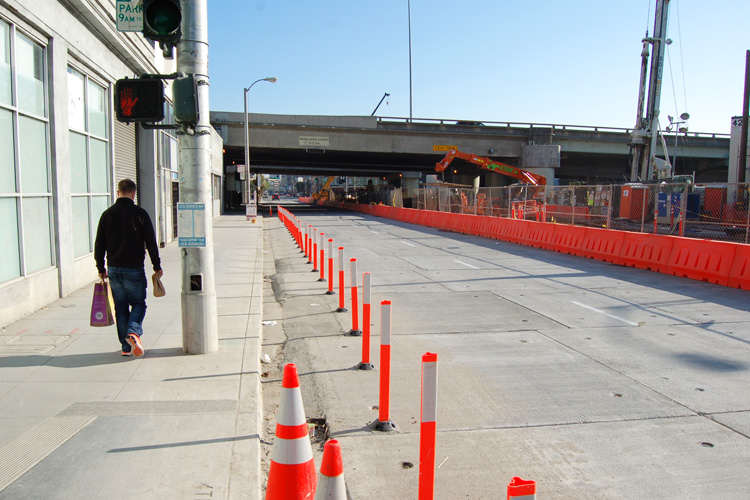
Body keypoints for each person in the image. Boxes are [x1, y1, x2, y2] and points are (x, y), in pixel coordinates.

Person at [94, 179, 162, 357]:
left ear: (118, 193)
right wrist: (156, 266)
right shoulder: (140, 214)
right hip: (134, 269)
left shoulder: (107, 215)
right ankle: (133, 333)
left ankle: (126, 347)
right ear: (134, 194)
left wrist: (101, 268)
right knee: (139, 304)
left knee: (121, 308)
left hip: (114, 269)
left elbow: (99, 245)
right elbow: (151, 243)